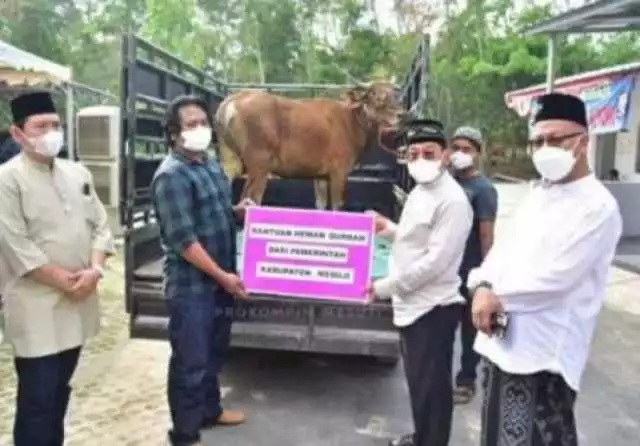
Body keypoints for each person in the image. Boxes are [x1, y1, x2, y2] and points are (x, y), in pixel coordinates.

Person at [468, 93, 622, 446]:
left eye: (555, 139)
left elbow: (557, 280)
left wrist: (493, 294)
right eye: (537, 141)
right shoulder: (539, 195)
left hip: (542, 356)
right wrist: (482, 284)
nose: (544, 148)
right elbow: (502, 253)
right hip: (500, 343)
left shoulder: (598, 207)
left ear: (582, 142)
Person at [0, 91, 115, 446]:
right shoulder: (7, 179)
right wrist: (68, 281)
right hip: (35, 307)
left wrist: (94, 271)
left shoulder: (77, 172)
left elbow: (101, 226)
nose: (51, 133)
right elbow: (16, 246)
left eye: (56, 125)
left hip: (77, 302)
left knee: (60, 391)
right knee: (38, 398)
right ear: (17, 133)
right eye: (41, 126)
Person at [152, 95, 252, 446]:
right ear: (173, 133)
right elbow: (185, 241)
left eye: (203, 123)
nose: (200, 129)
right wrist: (223, 276)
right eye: (191, 124)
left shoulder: (209, 165)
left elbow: (219, 212)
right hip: (192, 287)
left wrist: (237, 211)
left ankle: (210, 411)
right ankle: (184, 433)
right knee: (190, 362)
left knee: (213, 354)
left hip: (219, 282)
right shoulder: (171, 176)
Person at [367, 119, 473, 446]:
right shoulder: (420, 191)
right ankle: (422, 437)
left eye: (429, 153)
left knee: (433, 389)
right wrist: (389, 229)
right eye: (413, 154)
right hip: (412, 305)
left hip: (432, 308)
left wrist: (384, 287)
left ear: (445, 156)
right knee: (419, 385)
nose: (420, 160)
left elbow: (435, 263)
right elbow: (416, 239)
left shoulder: (453, 201)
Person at [448, 126, 498, 404]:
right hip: (446, 268)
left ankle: (466, 380)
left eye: (466, 149)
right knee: (443, 329)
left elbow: (486, 234)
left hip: (469, 268)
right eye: (455, 148)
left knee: (470, 330)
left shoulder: (483, 189)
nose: (460, 154)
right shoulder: (446, 182)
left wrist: (486, 276)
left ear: (477, 153)